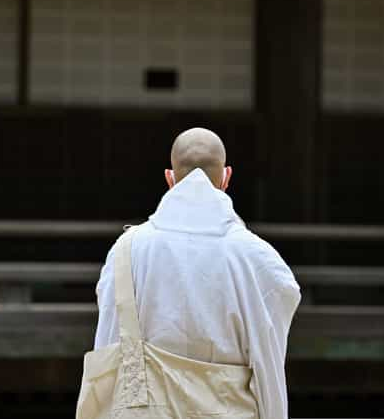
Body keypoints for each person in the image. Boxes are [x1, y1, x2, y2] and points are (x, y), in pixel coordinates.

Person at [76, 127, 301, 419]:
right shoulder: (257, 259)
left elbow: (108, 350)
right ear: (226, 178)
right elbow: (268, 364)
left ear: (170, 179)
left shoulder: (127, 250)